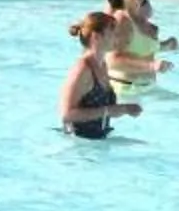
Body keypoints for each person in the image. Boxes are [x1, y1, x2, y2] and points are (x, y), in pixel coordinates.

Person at [60, 10, 142, 139]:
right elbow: (67, 115)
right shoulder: (82, 69)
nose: (117, 37)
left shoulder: (102, 64)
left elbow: (105, 108)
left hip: (98, 139)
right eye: (112, 32)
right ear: (96, 37)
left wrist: (125, 108)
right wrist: (109, 111)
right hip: (79, 144)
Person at [106, 0, 177, 81]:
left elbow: (140, 48)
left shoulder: (141, 19)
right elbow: (112, 60)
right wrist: (151, 66)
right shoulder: (121, 20)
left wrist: (166, 45)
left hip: (145, 89)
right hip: (125, 90)